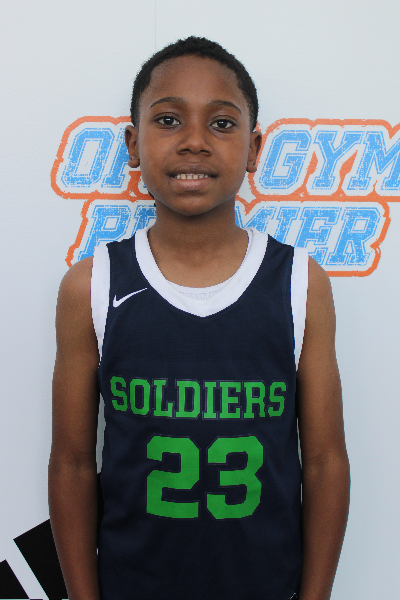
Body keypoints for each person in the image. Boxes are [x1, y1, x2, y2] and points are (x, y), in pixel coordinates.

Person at [48, 36, 350, 600]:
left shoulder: (299, 281)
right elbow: (71, 463)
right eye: (168, 120)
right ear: (133, 144)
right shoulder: (92, 284)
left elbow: (325, 461)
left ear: (254, 148)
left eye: (221, 123)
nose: (194, 141)